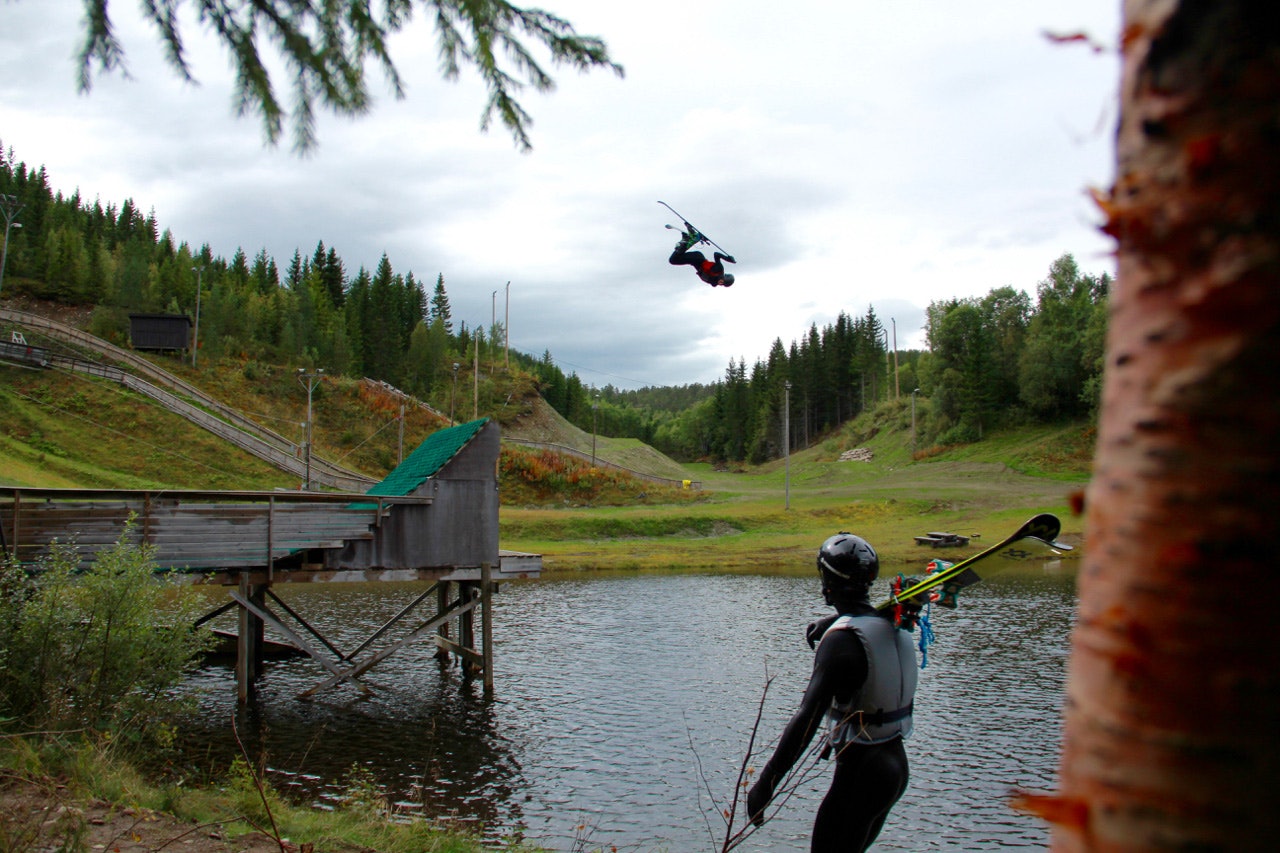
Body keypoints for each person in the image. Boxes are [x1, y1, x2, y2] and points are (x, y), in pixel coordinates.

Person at [746, 532, 918, 852]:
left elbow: (807, 719)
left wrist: (765, 784)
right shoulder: (892, 625)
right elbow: (863, 617)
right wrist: (836, 618)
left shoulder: (841, 643)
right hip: (894, 766)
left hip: (862, 772)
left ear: (827, 583)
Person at [668, 224, 735, 286]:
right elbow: (716, 254)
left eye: (722, 284)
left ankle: (687, 239)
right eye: (723, 281)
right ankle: (692, 238)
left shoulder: (713, 281)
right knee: (673, 260)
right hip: (697, 258)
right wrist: (727, 258)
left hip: (695, 260)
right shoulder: (719, 270)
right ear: (724, 277)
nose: (721, 283)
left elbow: (710, 280)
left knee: (674, 259)